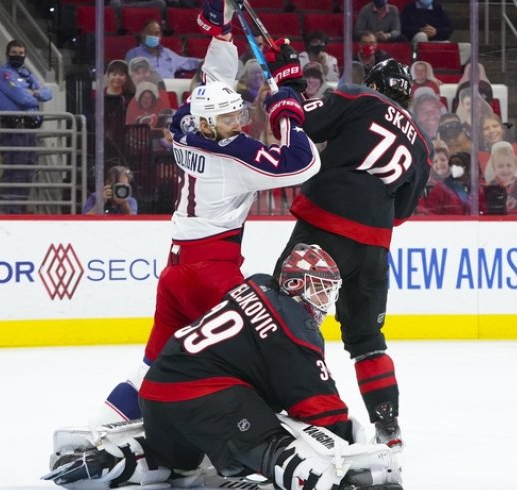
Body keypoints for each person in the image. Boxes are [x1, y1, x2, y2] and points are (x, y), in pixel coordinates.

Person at [91, 0, 321, 426]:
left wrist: (222, 35)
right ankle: (273, 432)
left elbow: (212, 82)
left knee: (153, 362)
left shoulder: (185, 128)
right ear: (215, 125)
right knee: (264, 350)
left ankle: (103, 427)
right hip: (212, 272)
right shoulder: (233, 157)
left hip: (177, 271)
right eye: (232, 118)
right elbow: (303, 164)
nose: (239, 121)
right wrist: (287, 106)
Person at [43, 245, 403, 490]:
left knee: (182, 466)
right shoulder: (296, 329)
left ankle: (118, 457)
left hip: (157, 392)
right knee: (275, 438)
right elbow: (320, 410)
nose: (326, 302)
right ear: (295, 286)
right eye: (321, 290)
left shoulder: (258, 283)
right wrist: (353, 452)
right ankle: (321, 481)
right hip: (206, 400)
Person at [267, 47, 431, 448]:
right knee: (367, 341)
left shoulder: (360, 98)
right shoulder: (422, 147)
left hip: (325, 225)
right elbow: (402, 212)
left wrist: (287, 86)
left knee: (282, 317)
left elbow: (301, 123)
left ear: (374, 85)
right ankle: (388, 427)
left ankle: (290, 406)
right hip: (374, 246)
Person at [0, 39, 53, 214]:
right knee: (15, 170)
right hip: (14, 128)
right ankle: (12, 210)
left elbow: (48, 94)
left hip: (29, 128)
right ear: (7, 54)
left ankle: (20, 207)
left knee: (27, 170)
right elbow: (22, 98)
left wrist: (33, 92)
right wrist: (34, 94)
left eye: (21, 53)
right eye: (14, 53)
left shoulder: (26, 73)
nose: (18, 56)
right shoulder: (3, 74)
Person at [124, 20, 201, 80]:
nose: (153, 36)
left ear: (160, 36)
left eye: (156, 33)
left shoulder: (167, 53)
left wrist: (205, 62)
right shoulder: (133, 53)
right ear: (142, 34)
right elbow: (128, 77)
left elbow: (187, 62)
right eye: (150, 32)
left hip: (169, 91)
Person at [485, 141, 517, 211]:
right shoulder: (492, 184)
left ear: (515, 167)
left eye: (509, 165)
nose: (505, 170)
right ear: (494, 168)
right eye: (500, 166)